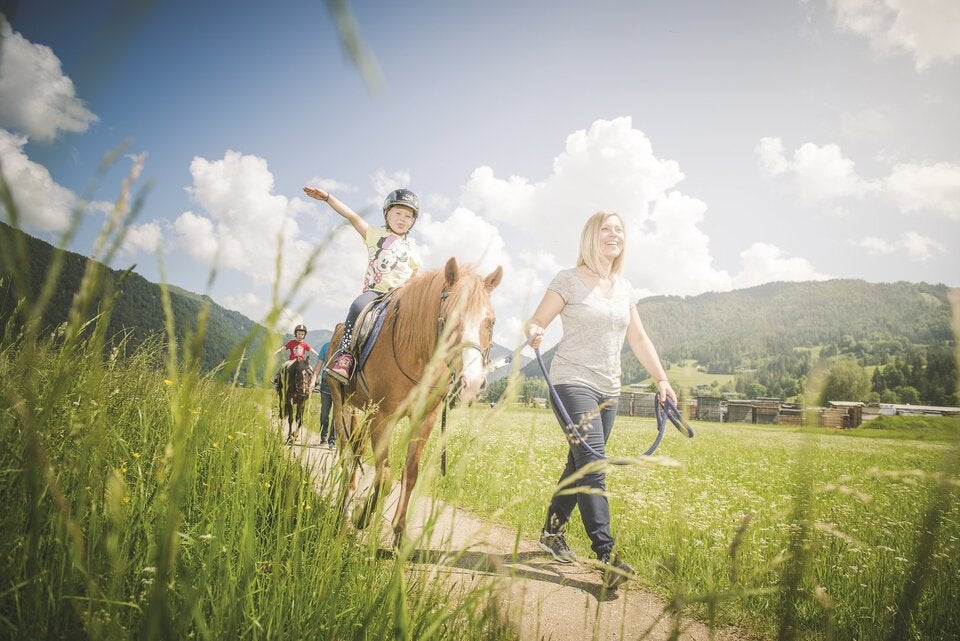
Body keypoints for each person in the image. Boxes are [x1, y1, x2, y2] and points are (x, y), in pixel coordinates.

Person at [525, 210, 678, 590]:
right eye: (606, 229)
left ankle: (552, 533)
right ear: (591, 236)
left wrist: (661, 379)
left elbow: (638, 339)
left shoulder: (624, 288)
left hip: (610, 388)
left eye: (619, 230)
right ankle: (607, 555)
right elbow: (537, 321)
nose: (614, 235)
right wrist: (535, 330)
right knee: (593, 464)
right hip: (571, 381)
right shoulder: (568, 279)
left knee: (579, 463)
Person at [303, 186, 422, 383]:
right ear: (386, 214)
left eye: (408, 216)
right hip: (376, 294)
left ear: (413, 221)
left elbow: (413, 281)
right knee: (358, 306)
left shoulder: (414, 252)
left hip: (400, 299)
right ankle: (346, 356)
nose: (402, 219)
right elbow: (351, 216)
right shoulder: (375, 235)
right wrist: (328, 198)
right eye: (398, 213)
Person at [272, 324, 320, 389]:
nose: (300, 335)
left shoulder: (304, 344)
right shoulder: (291, 342)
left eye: (302, 334)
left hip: (301, 362)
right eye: (299, 334)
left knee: (310, 368)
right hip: (291, 360)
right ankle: (277, 379)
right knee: (284, 365)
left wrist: (318, 355)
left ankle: (314, 382)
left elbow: (311, 349)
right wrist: (277, 351)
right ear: (296, 333)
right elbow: (284, 347)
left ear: (304, 335)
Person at [311, 341, 335, 448]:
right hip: (326, 383)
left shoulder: (345, 345)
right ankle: (323, 439)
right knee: (325, 413)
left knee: (337, 414)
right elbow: (319, 366)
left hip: (340, 385)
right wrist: (313, 382)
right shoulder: (326, 346)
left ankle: (332, 441)